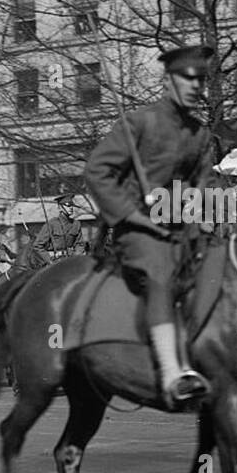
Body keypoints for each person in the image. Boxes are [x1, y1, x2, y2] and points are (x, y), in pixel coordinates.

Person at [84, 43, 215, 409]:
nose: (194, 86)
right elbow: (97, 171)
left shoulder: (201, 134)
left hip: (181, 227)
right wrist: (132, 213)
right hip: (138, 231)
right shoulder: (140, 122)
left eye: (200, 80)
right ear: (169, 80)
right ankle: (175, 373)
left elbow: (202, 187)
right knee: (161, 273)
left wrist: (199, 213)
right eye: (187, 78)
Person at [33, 195, 88, 262]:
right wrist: (49, 260)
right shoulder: (52, 224)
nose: (71, 208)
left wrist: (76, 256)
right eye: (67, 205)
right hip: (55, 261)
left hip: (71, 260)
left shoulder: (76, 224)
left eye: (72, 205)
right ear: (60, 208)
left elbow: (80, 244)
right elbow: (37, 246)